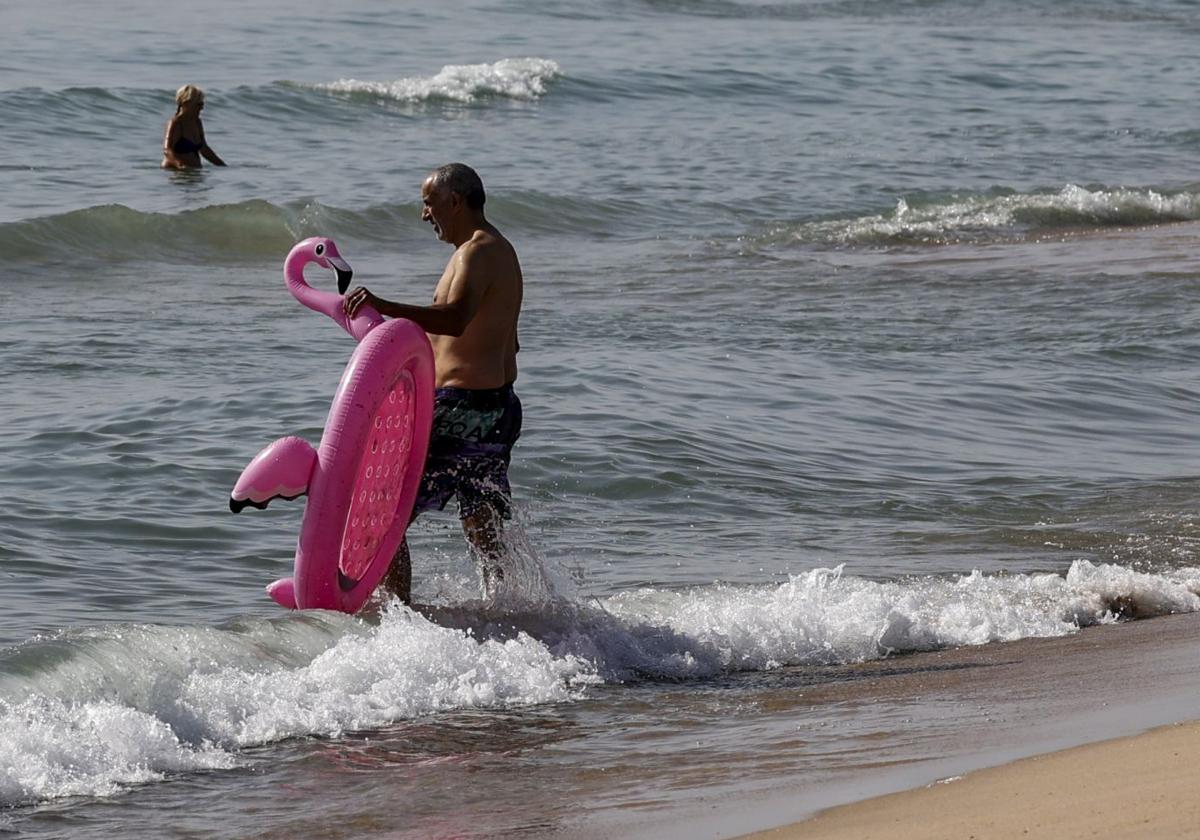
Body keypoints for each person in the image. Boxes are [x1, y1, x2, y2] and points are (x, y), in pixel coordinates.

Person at [343, 163, 524, 603]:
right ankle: (504, 608)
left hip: (461, 407)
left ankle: (396, 621)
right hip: (495, 406)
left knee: (384, 513)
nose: (425, 214)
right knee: (480, 519)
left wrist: (385, 306)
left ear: (455, 202)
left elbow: (456, 321)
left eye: (429, 202)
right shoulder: (496, 249)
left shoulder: (476, 253)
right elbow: (508, 342)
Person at [161, 85, 226, 169]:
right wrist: (180, 165)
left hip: (192, 174)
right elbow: (167, 151)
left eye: (202, 104)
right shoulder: (175, 123)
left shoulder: (197, 122)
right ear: (186, 103)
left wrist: (223, 166)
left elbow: (204, 149)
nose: (202, 108)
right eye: (199, 104)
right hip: (177, 173)